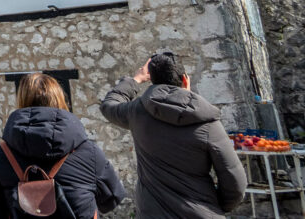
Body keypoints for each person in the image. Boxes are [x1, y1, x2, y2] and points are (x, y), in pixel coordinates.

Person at [100, 51, 247, 218]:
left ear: (153, 80)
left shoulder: (137, 112)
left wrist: (136, 79)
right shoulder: (208, 122)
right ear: (185, 80)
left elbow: (109, 106)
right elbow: (235, 180)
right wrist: (212, 205)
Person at [0, 73, 125, 218]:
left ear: (21, 101)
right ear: (60, 99)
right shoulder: (89, 151)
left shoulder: (1, 154)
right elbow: (113, 197)